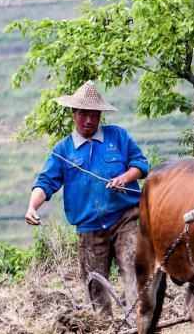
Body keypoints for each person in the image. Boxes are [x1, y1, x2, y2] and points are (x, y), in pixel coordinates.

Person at [25, 80, 149, 316]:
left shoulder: (118, 137)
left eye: (94, 114)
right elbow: (45, 183)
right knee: (95, 286)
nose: (89, 120)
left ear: (100, 114)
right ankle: (103, 327)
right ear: (74, 113)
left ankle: (138, 324)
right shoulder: (63, 150)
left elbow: (141, 164)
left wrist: (124, 178)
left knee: (134, 270)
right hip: (89, 227)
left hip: (125, 220)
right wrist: (32, 206)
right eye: (83, 114)